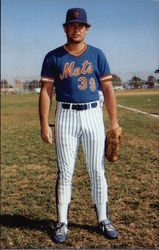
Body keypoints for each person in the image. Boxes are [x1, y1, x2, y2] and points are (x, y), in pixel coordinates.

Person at [39, 8, 119, 243]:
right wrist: (45, 124)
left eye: (81, 25)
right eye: (72, 24)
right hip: (66, 115)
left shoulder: (97, 54)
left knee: (97, 169)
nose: (77, 28)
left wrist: (113, 121)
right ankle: (62, 222)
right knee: (65, 171)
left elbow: (107, 89)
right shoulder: (53, 56)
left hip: (94, 114)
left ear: (87, 28)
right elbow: (46, 91)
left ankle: (103, 218)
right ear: (65, 28)